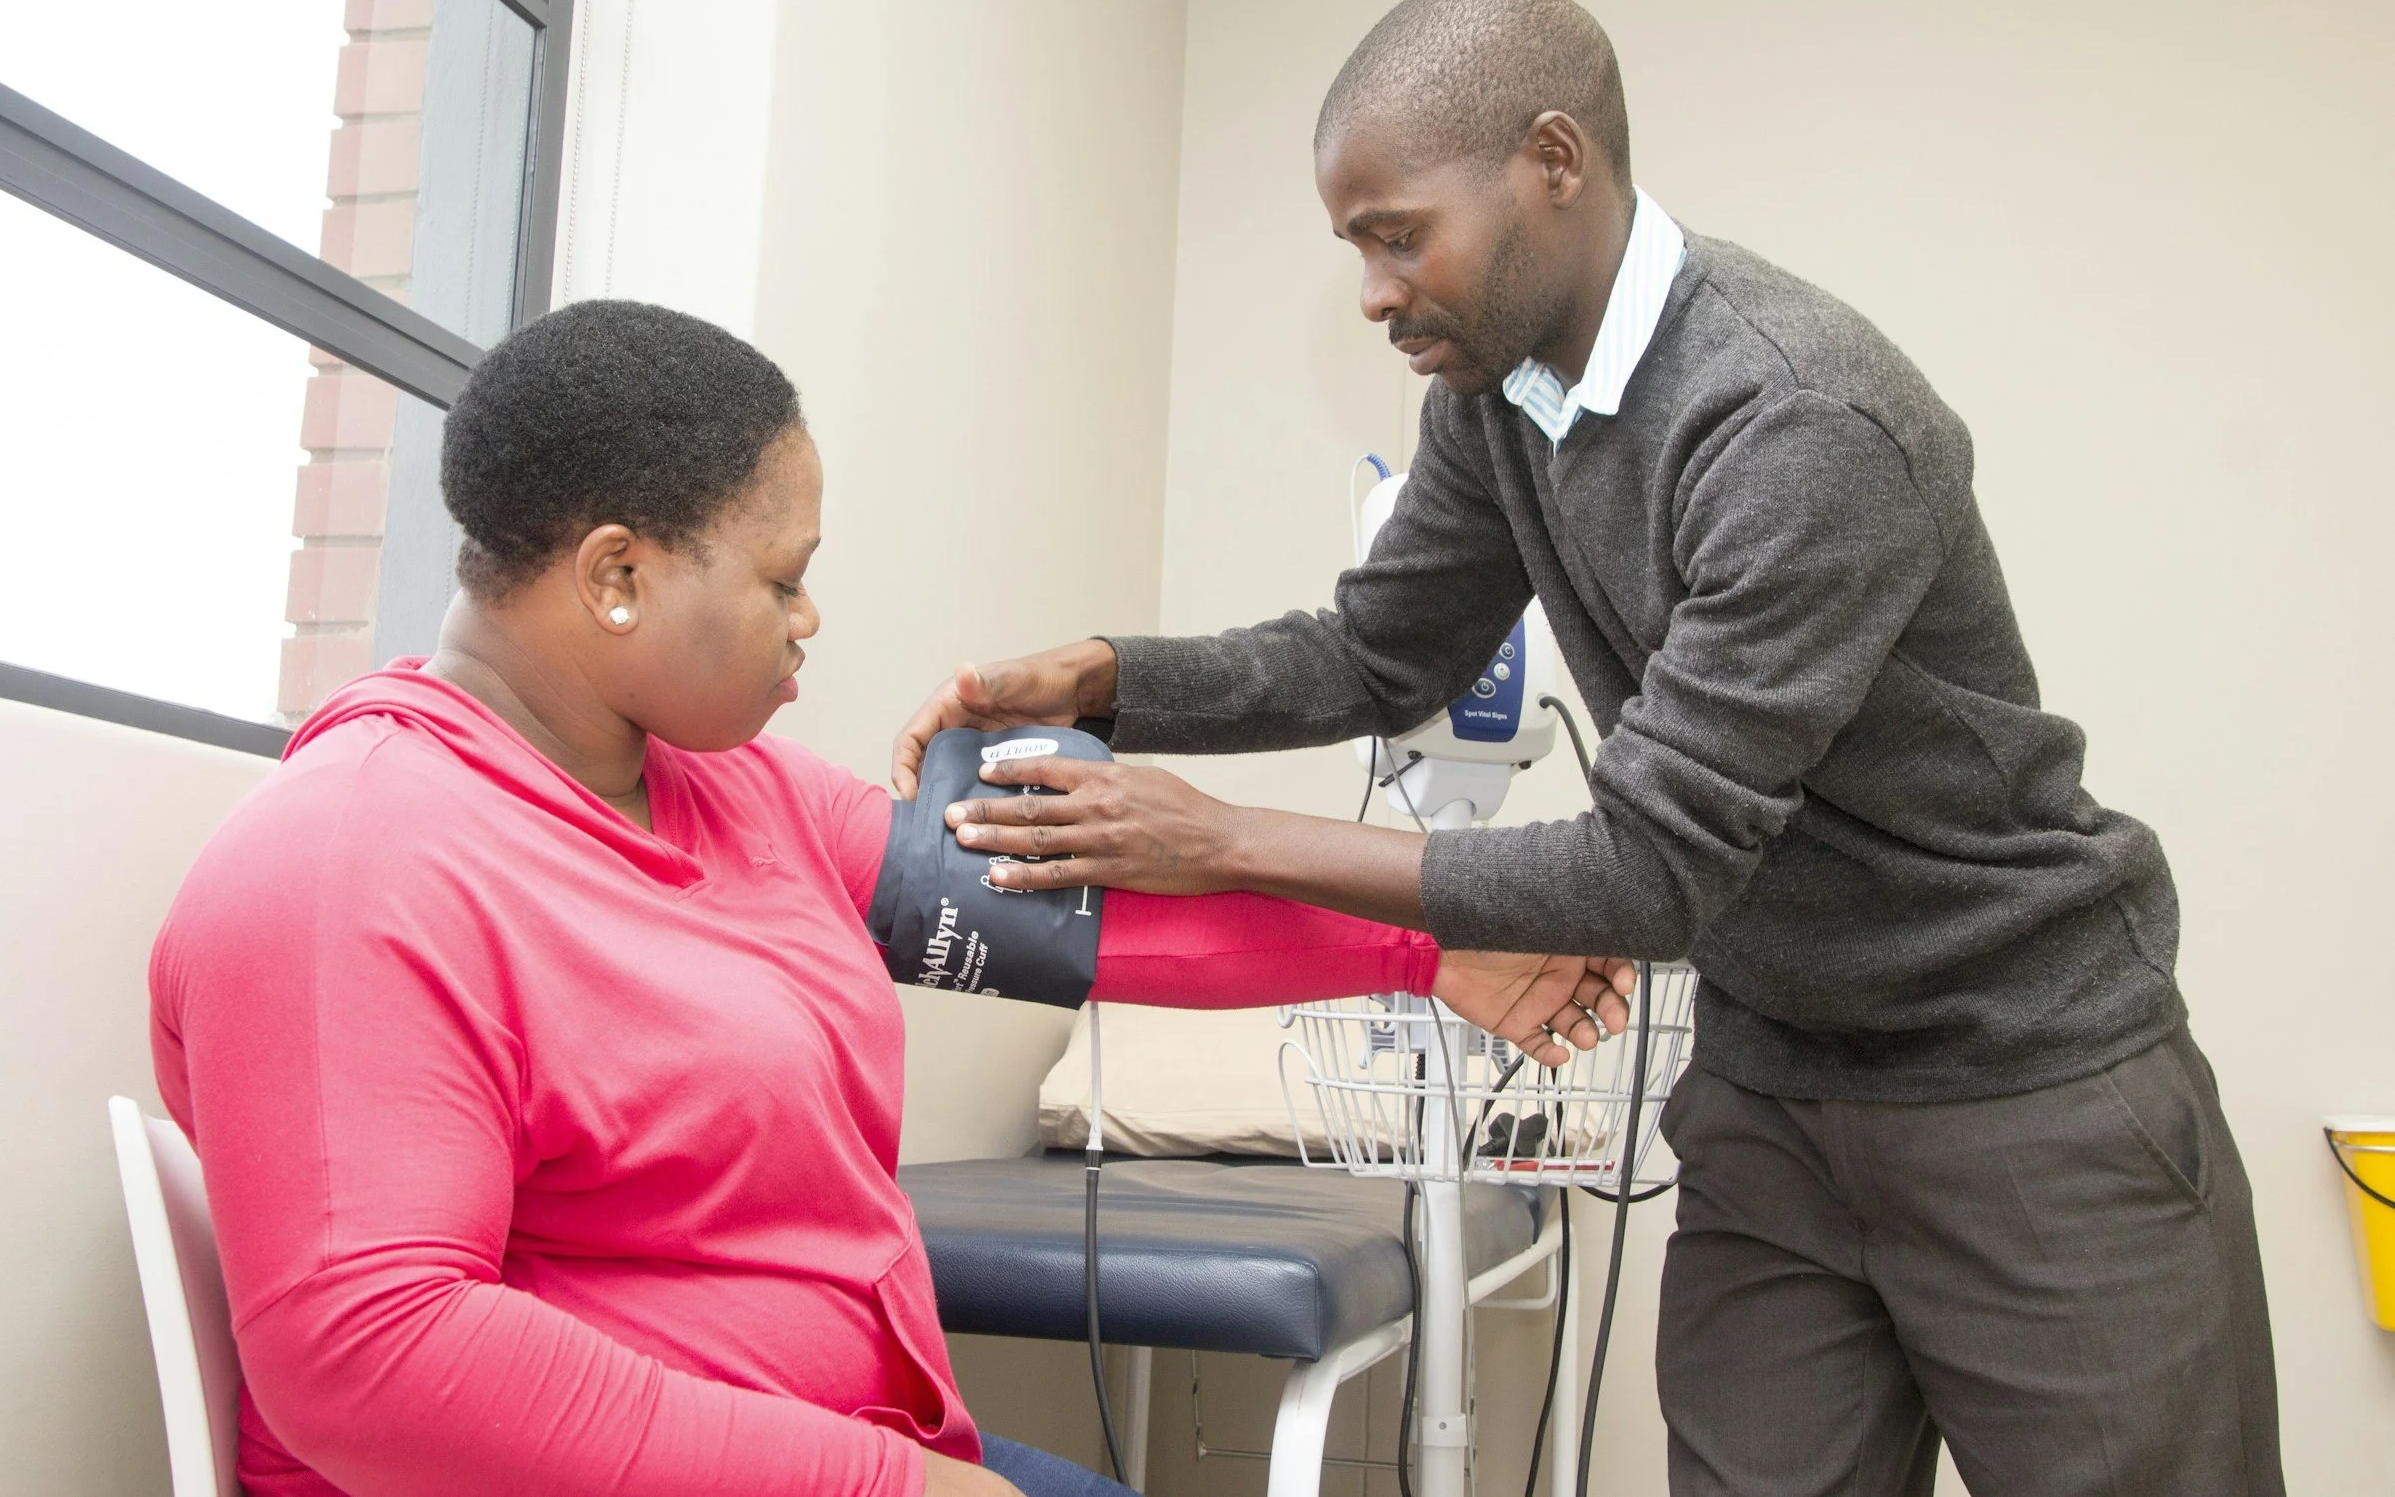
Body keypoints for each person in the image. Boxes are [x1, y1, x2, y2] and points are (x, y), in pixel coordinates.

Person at [892, 0, 2281, 1497]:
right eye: (1354, 245)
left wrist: (1209, 839)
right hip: (1773, 1092)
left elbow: (1650, 869)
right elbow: (1375, 650)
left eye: (1396, 234)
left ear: (1555, 162)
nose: (1370, 291)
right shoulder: (1506, 402)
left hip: (2030, 1085)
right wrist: (1102, 677)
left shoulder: (1798, 416)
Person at [150, 299, 1629, 1497]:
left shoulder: (735, 791)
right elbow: (373, 1360)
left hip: (879, 1445)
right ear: (616, 575)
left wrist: (1428, 947)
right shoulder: (349, 863)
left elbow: (1086, 916)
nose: (810, 621)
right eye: (784, 579)